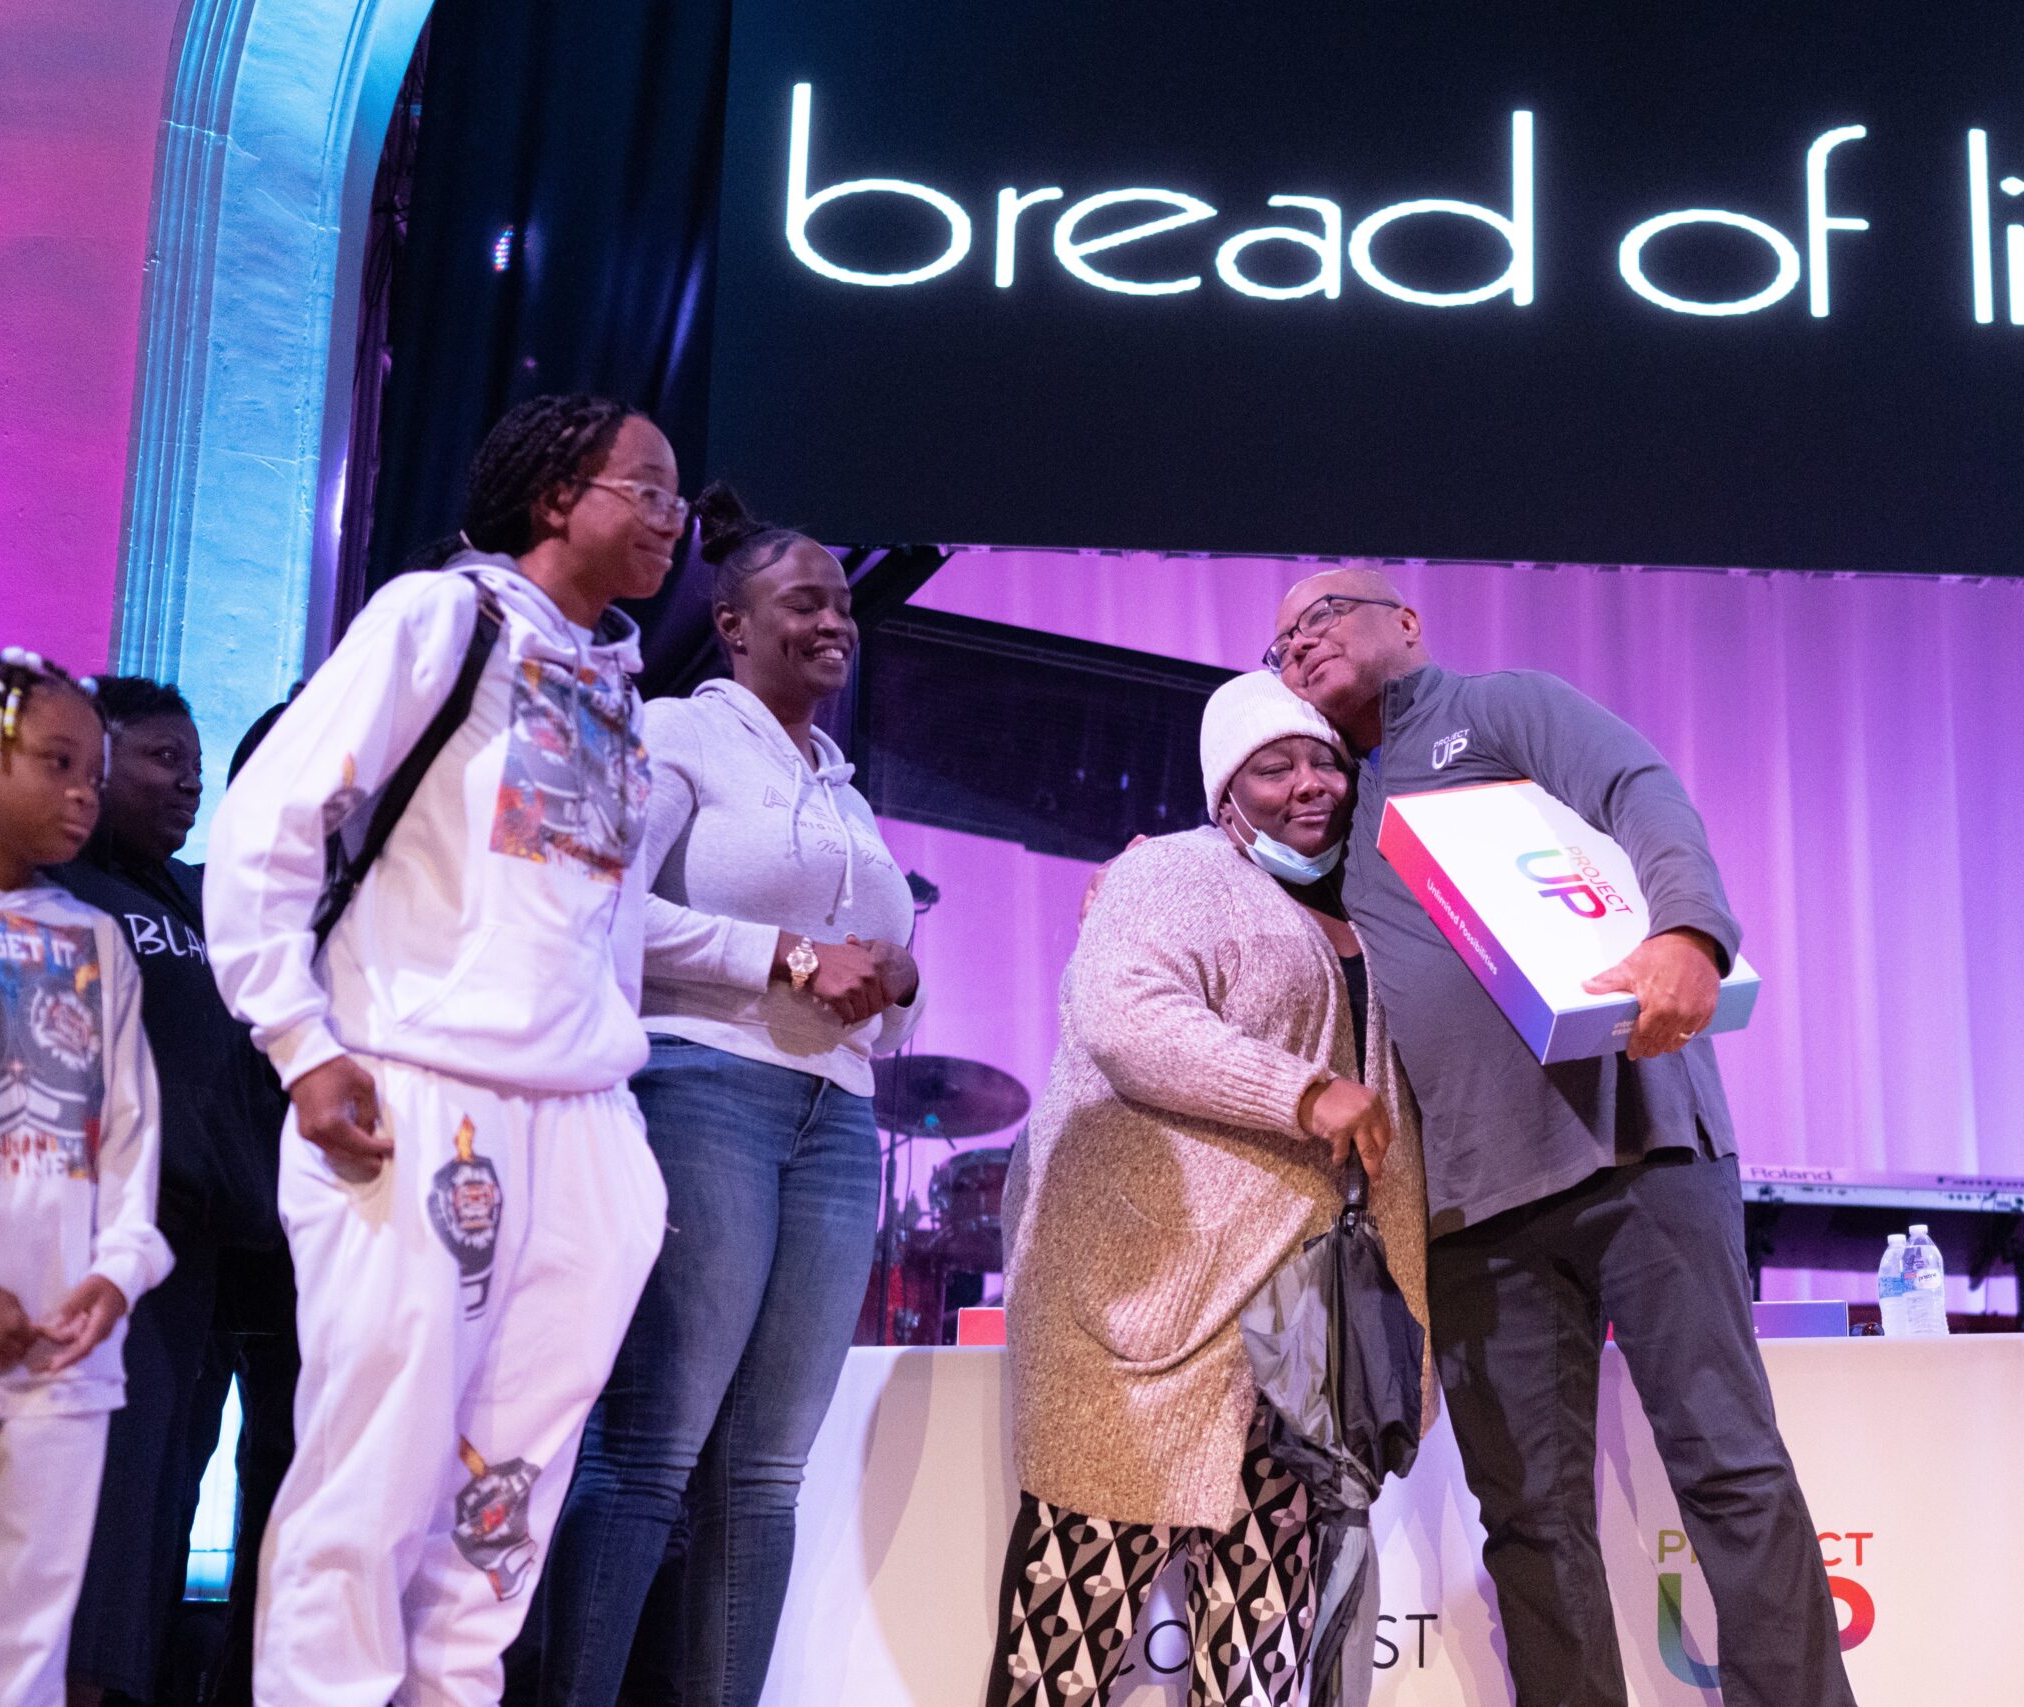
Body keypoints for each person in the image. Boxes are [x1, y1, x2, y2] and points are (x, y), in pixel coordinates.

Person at [1266, 569, 1855, 1707]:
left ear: (1405, 623)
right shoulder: (1328, 821)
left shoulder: (1497, 709)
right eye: (1279, 641)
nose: (1300, 643)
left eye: (1324, 615)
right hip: (1472, 1209)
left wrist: (1689, 930)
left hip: (1637, 1149)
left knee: (1727, 1468)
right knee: (1530, 1519)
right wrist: (1142, 868)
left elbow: (1638, 785)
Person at [203, 395, 681, 1707]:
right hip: (417, 1080)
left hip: (581, 1116)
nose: (671, 516)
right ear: (551, 497)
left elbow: (607, 928)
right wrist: (301, 1042)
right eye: (643, 486)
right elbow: (267, 824)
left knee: (504, 1492)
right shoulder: (442, 619)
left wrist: (621, 1137)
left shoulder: (621, 692)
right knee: (378, 1463)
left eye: (677, 495)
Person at [523, 485, 925, 1707]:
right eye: (806, 601)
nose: (835, 623)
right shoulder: (672, 737)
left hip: (836, 1118)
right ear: (734, 621)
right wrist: (784, 957)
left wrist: (898, 982)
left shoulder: (846, 795)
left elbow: (883, 990)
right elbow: (603, 907)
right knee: (650, 1451)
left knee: (765, 1473)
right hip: (705, 1091)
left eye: (845, 605)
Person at [988, 669, 1431, 1707]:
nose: (1308, 785)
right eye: (1273, 767)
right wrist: (1304, 1092)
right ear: (1222, 796)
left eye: (1325, 761)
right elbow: (1124, 1016)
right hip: (1147, 1317)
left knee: (1263, 1662)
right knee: (1071, 1645)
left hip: (1301, 1335)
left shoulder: (1378, 904)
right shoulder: (1173, 874)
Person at [58, 678, 297, 1707]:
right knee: (79, 1514)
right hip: (80, 1236)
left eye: (194, 765)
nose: (186, 781)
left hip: (193, 1248)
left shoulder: (197, 902)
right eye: (160, 759)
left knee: (153, 1512)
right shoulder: (53, 890)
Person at [0, 648, 172, 1706]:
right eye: (56, 763)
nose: (83, 793)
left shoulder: (95, 939)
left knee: (25, 1647)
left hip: (60, 1354)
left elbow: (128, 1136)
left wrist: (117, 1274)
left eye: (94, 770)